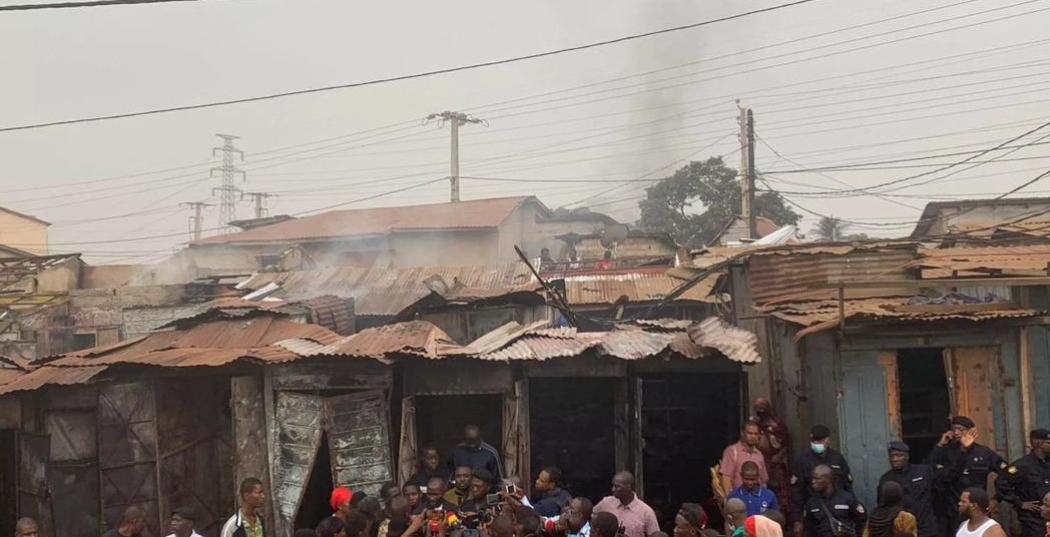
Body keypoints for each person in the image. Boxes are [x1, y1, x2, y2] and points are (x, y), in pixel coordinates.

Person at [932, 417, 1008, 534]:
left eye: (961, 429)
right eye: (954, 429)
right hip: (954, 511)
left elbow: (1008, 473)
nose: (956, 432)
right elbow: (935, 472)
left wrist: (996, 499)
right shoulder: (947, 452)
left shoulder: (984, 452)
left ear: (971, 431)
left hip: (979, 511)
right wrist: (940, 445)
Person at [792, 426, 854, 537]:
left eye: (820, 440)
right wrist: (798, 519)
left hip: (839, 510)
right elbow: (797, 491)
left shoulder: (838, 459)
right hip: (814, 510)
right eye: (814, 440)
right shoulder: (802, 461)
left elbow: (848, 485)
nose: (817, 443)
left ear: (827, 440)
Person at [879, 442, 938, 537]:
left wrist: (939, 446)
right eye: (892, 456)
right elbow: (883, 506)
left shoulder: (923, 471)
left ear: (907, 456)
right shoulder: (886, 479)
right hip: (904, 530)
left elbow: (939, 487)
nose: (895, 459)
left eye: (899, 455)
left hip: (926, 527)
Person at [998, 430, 1050, 537]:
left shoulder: (1047, 463)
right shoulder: (1021, 466)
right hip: (1032, 520)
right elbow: (1001, 482)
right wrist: (1020, 503)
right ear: (1038, 444)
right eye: (1049, 443)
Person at [754, 398, 792, 523]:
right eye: (758, 411)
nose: (760, 413)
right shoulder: (753, 424)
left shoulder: (776, 425)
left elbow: (782, 445)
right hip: (758, 466)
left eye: (762, 411)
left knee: (780, 497)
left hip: (775, 466)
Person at [802, 465, 866, 537]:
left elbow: (861, 520)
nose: (813, 482)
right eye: (812, 478)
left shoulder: (846, 498)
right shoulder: (812, 503)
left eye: (817, 479)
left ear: (828, 479)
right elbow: (808, 529)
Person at [594, 471, 660, 537]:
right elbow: (589, 518)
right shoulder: (606, 503)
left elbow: (656, 535)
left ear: (629, 487)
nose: (613, 489)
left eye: (617, 486)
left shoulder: (646, 512)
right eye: (613, 485)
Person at [722, 421, 770, 495]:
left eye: (756, 434)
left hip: (757, 499)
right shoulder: (732, 452)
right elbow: (726, 477)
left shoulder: (759, 455)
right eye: (750, 433)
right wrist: (728, 499)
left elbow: (763, 480)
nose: (753, 436)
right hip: (738, 499)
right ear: (742, 433)